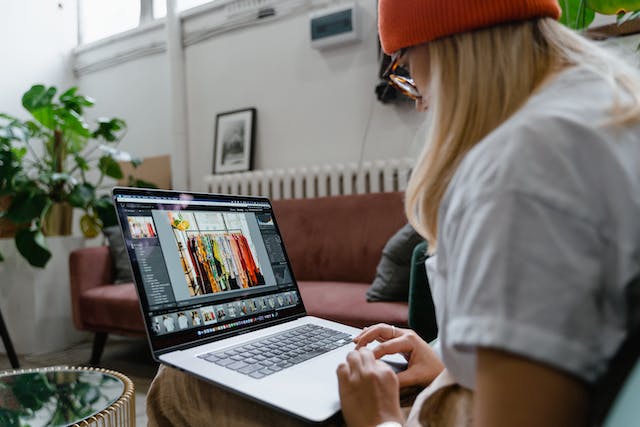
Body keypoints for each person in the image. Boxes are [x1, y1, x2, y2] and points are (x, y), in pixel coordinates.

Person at [146, 1, 640, 426]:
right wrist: (445, 360)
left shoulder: (522, 168)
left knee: (175, 384)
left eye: (405, 69)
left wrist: (378, 415)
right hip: (464, 395)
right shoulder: (605, 112)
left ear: (443, 45)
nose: (420, 100)